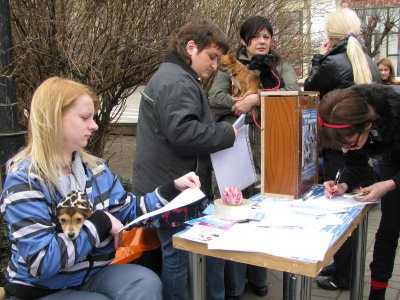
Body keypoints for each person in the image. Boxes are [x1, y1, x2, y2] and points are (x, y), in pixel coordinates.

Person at [0, 77, 202, 300]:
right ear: (53, 119)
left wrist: (173, 189)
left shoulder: (94, 169)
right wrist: (100, 222)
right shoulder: (25, 181)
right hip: (40, 288)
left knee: (145, 282)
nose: (94, 125)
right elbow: (41, 262)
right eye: (85, 117)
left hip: (89, 275)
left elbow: (129, 211)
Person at [132, 19, 237, 300]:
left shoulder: (176, 76)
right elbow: (184, 133)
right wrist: (226, 134)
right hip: (171, 187)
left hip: (173, 182)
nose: (215, 65)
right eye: (212, 56)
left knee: (183, 252)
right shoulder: (177, 81)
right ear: (191, 47)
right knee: (177, 255)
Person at [208, 15, 299, 299]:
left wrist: (258, 98)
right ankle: (234, 286)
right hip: (235, 145)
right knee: (235, 210)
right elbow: (214, 96)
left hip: (271, 146)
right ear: (245, 40)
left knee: (263, 213)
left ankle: (259, 279)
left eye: (267, 36)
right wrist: (239, 103)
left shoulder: (280, 65)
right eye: (256, 36)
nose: (262, 41)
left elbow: (295, 92)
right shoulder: (231, 65)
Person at [303, 7, 381, 290]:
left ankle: (342, 274)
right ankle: (345, 267)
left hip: (340, 142)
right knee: (347, 202)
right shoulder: (367, 61)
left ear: (329, 35)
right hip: (357, 140)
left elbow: (309, 89)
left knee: (340, 209)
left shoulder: (332, 62)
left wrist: (319, 57)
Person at [318, 84, 400, 300]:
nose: (345, 150)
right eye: (341, 146)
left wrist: (391, 183)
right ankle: (377, 293)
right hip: (392, 155)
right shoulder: (351, 115)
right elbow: (355, 163)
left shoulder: (395, 116)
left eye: (350, 143)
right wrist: (343, 185)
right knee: (389, 227)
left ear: (367, 126)